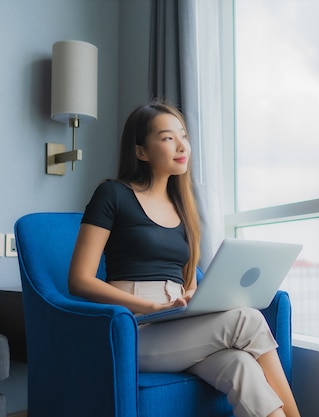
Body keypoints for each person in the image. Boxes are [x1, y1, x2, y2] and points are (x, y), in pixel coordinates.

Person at [68, 100, 301, 417]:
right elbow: (79, 280)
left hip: (177, 322)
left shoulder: (184, 210)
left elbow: (188, 281)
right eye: (167, 138)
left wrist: (195, 297)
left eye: (184, 136)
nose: (181, 146)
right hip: (133, 328)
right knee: (248, 319)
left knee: (242, 365)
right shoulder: (112, 194)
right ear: (141, 152)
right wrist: (150, 306)